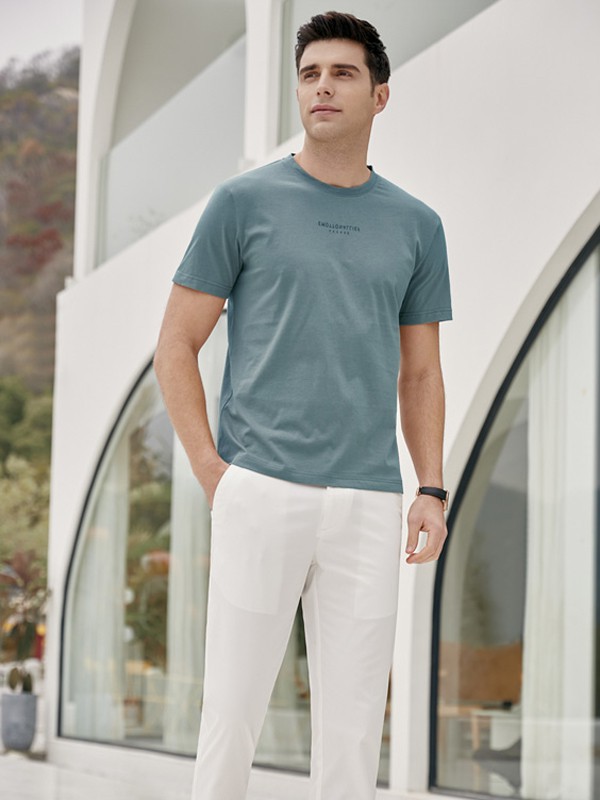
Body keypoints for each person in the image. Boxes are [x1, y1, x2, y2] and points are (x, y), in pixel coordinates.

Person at [154, 11, 452, 800]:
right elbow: (175, 345)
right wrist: (216, 474)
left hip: (368, 501)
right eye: (310, 74)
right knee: (233, 717)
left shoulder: (417, 226)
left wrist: (430, 486)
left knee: (353, 733)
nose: (322, 87)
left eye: (343, 73)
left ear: (379, 96)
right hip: (260, 487)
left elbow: (421, 372)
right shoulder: (242, 202)